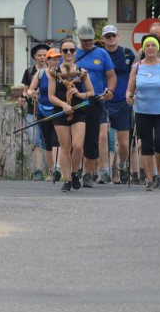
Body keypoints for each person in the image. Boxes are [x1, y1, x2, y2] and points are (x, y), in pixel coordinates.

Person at [126, 35, 160, 191]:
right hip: (142, 111)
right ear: (143, 48)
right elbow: (130, 89)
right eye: (147, 45)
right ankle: (149, 179)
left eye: (152, 45)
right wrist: (129, 97)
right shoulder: (137, 67)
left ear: (157, 48)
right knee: (146, 146)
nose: (150, 48)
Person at [48, 39, 95, 192]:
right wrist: (63, 105)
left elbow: (91, 92)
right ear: (61, 52)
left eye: (72, 50)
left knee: (78, 145)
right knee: (65, 147)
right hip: (61, 112)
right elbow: (51, 96)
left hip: (79, 110)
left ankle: (75, 172)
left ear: (76, 52)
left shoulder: (82, 71)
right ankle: (67, 179)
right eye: (65, 50)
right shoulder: (54, 72)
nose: (69, 53)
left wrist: (79, 94)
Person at [74, 25, 115, 188]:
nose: (88, 43)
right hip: (75, 101)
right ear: (79, 39)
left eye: (91, 40)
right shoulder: (71, 53)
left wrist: (110, 90)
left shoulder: (101, 53)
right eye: (85, 40)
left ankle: (88, 174)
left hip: (95, 100)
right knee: (76, 140)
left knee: (92, 138)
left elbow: (111, 76)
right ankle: (74, 170)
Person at [99, 24, 136, 184]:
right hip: (103, 101)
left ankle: (121, 164)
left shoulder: (127, 53)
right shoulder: (99, 54)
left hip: (122, 101)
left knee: (123, 144)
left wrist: (133, 94)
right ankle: (107, 170)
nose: (111, 39)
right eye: (107, 36)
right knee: (105, 139)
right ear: (103, 39)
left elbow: (135, 76)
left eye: (113, 36)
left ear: (118, 37)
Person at [26, 48, 62, 181]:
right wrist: (32, 93)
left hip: (58, 110)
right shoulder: (40, 74)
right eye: (53, 59)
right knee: (47, 141)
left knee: (56, 140)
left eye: (58, 59)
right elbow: (30, 89)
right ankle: (51, 170)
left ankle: (57, 168)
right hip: (42, 110)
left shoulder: (63, 73)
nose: (56, 61)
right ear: (48, 60)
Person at [21, 42, 50, 180]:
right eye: (40, 55)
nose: (42, 57)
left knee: (49, 141)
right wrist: (26, 96)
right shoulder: (29, 71)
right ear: (34, 57)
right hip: (32, 111)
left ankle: (51, 170)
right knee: (34, 141)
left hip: (48, 110)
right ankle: (37, 170)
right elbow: (25, 90)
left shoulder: (52, 71)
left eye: (45, 55)